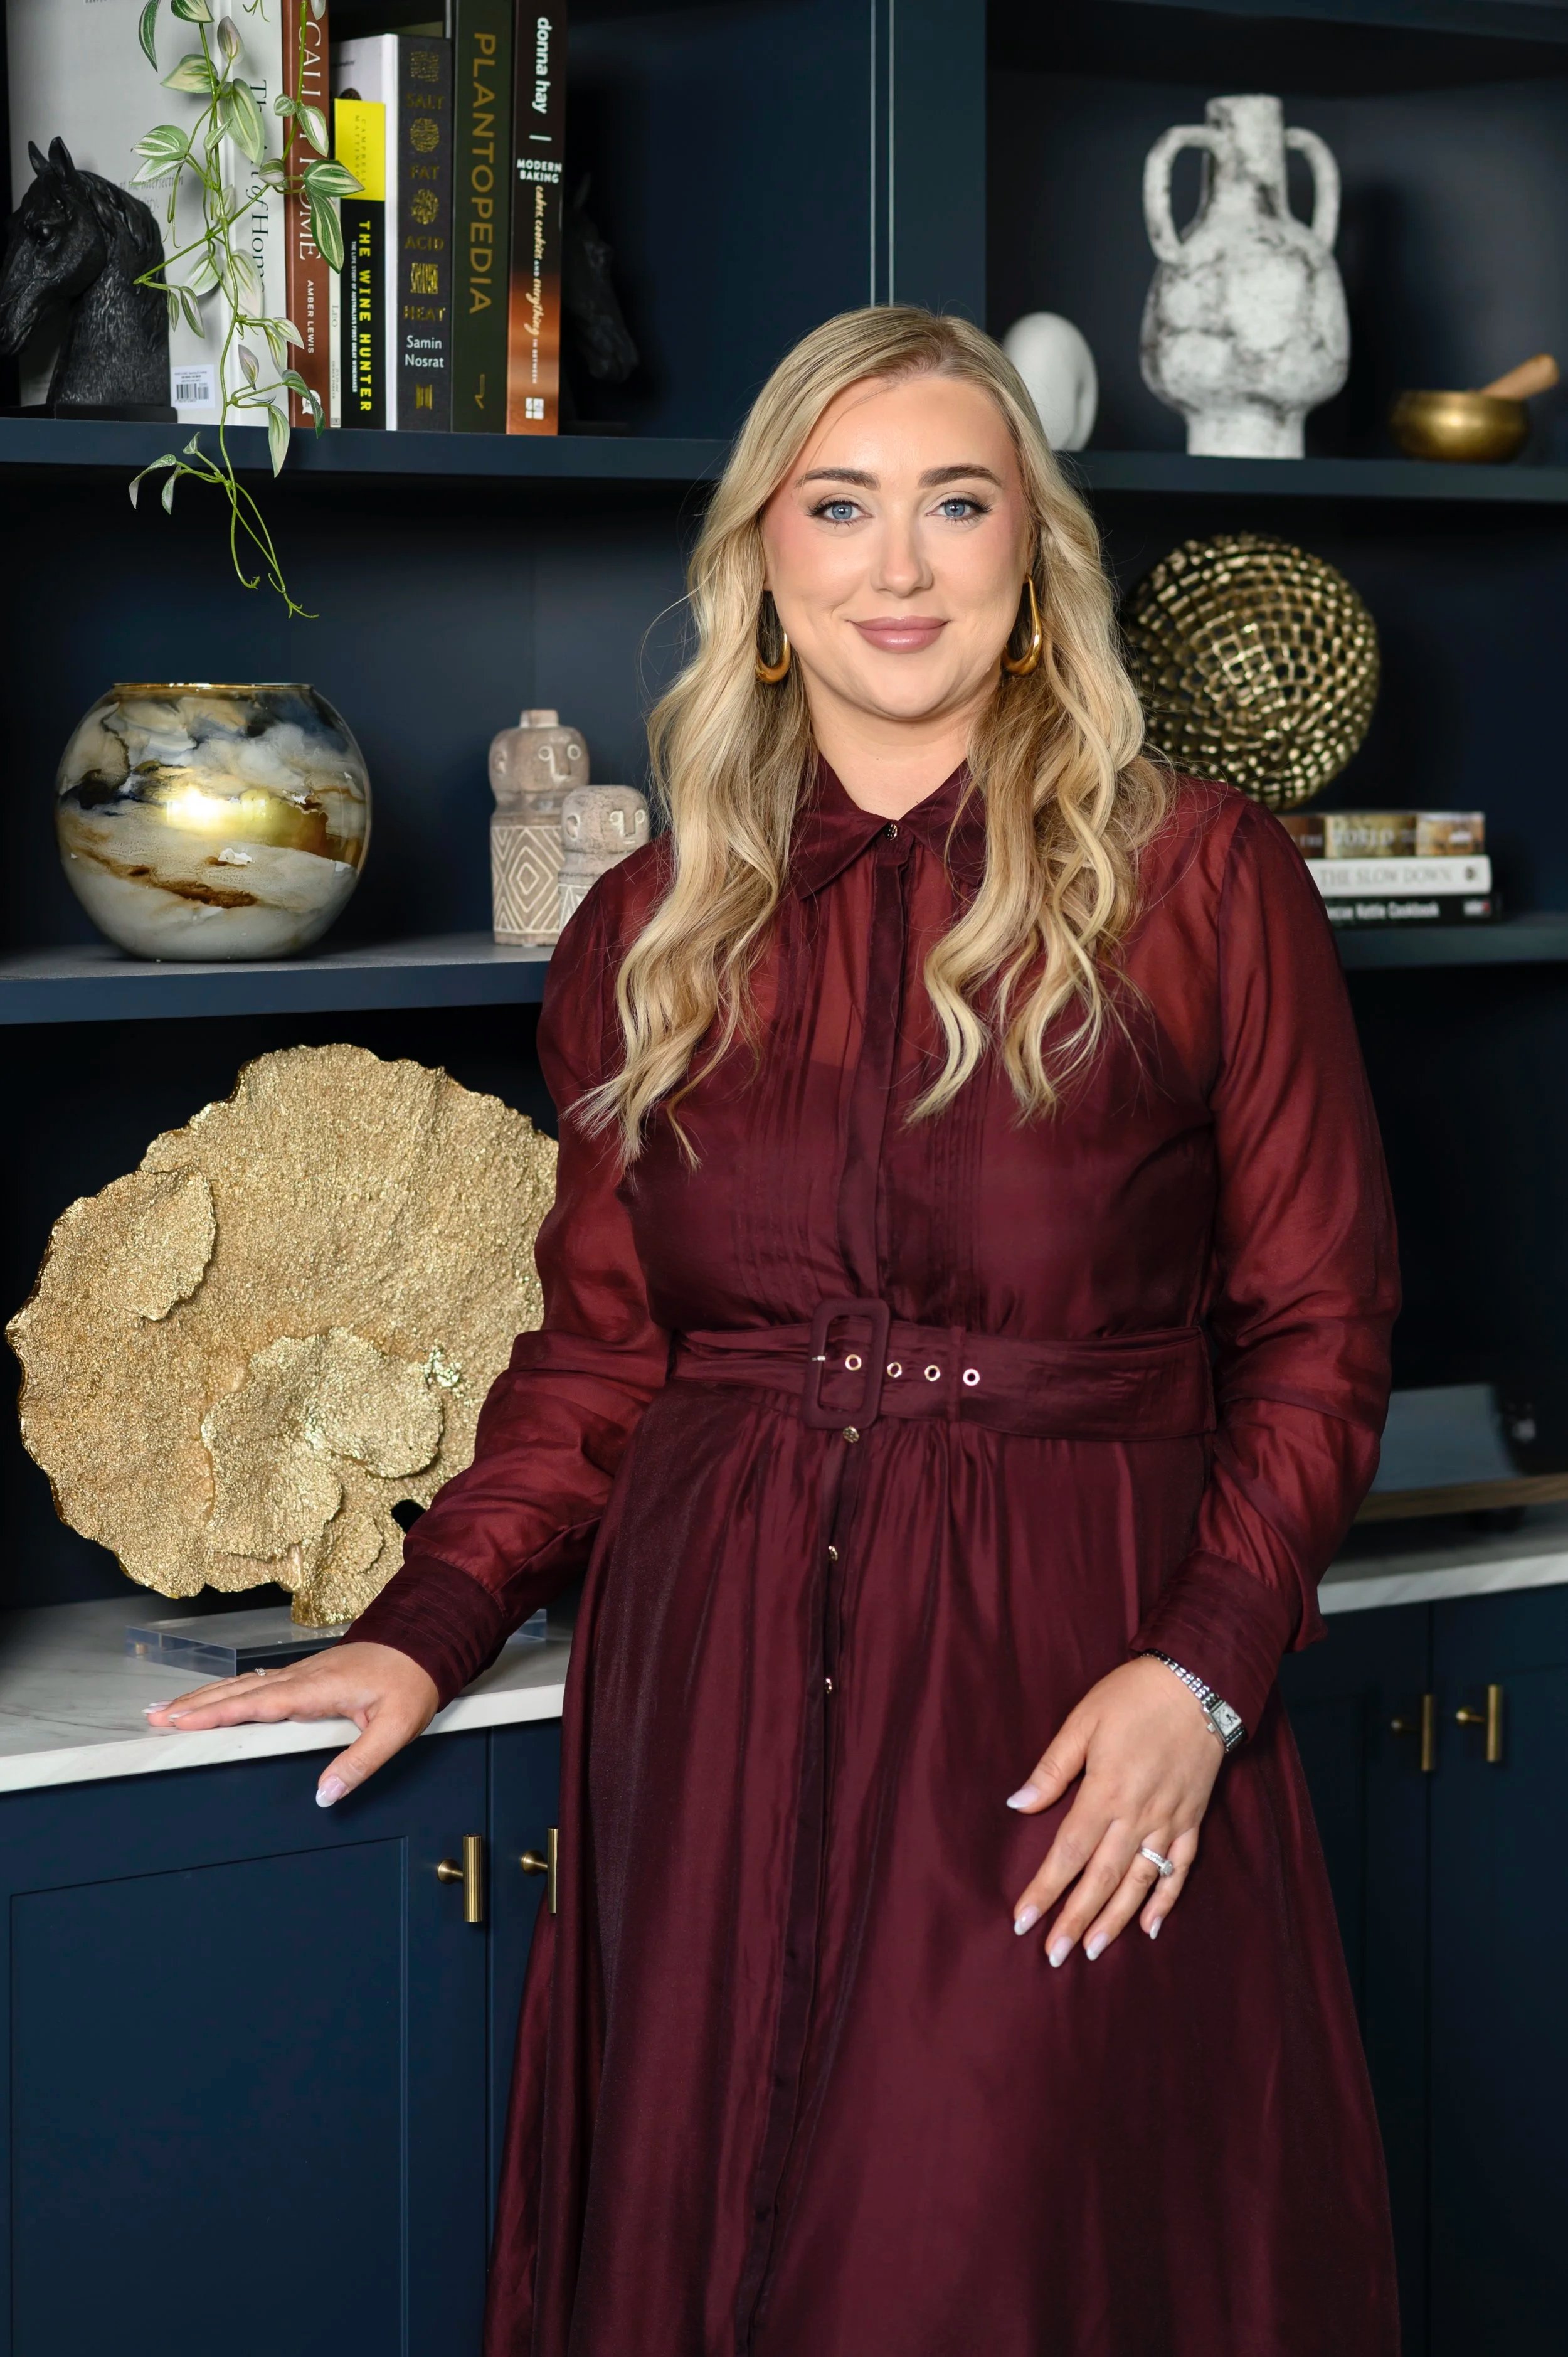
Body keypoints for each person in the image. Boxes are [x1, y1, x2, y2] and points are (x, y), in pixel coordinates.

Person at [147, 306, 1401, 2356]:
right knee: (712, 2235)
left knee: (996, 2253)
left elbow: (1318, 1324)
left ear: (1030, 562)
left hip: (1069, 1664)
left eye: (954, 505)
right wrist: (428, 1619)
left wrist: (1202, 1672)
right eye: (838, 508)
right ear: (759, 563)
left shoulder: (1199, 881)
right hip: (710, 1677)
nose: (896, 566)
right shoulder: (645, 931)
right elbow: (601, 1358)